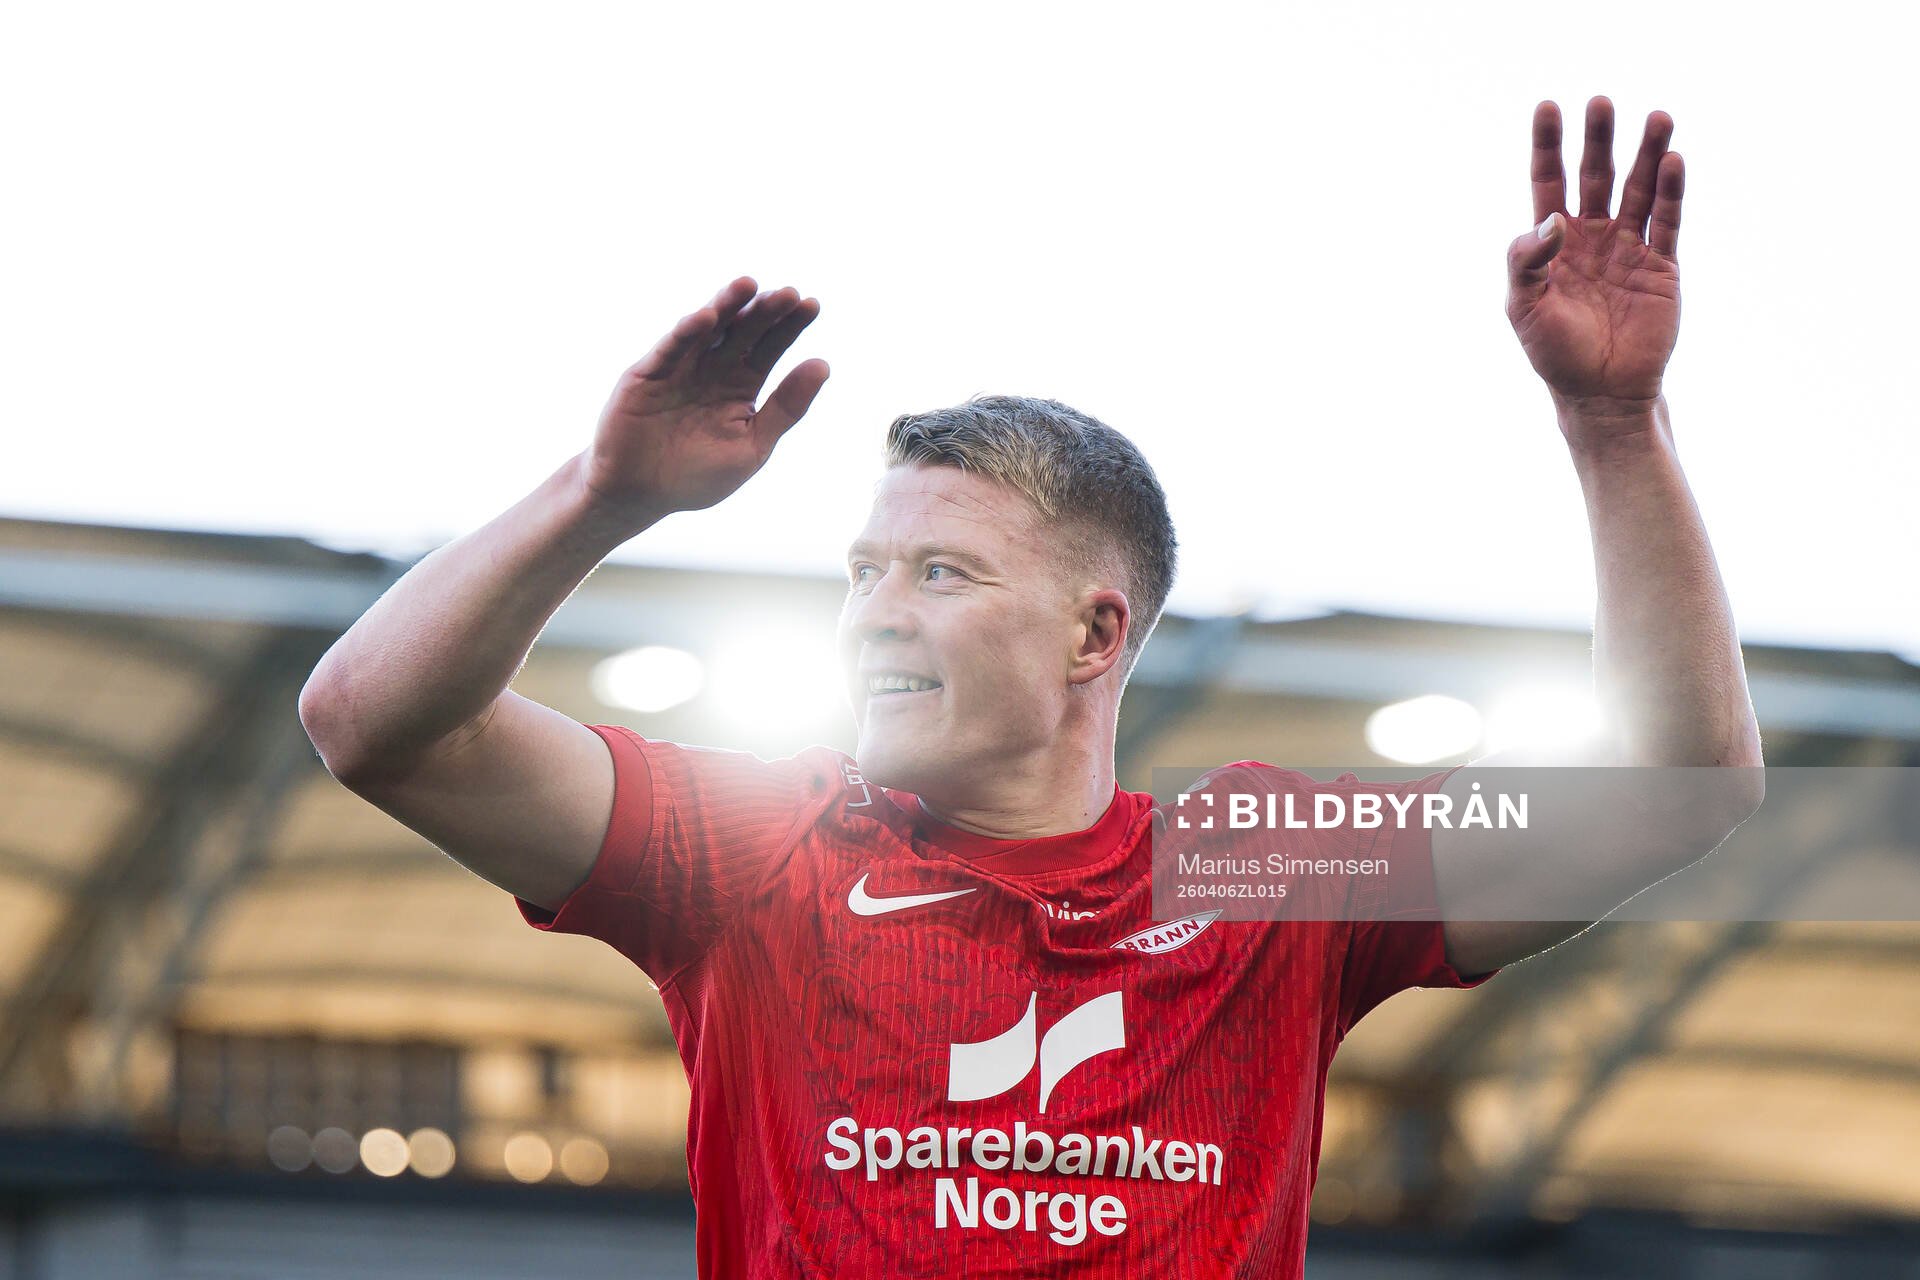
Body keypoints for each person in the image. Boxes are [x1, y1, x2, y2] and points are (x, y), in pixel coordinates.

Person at [298, 96, 1764, 1277]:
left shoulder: (1264, 872)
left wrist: (1616, 423)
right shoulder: (758, 857)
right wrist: (599, 498)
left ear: (1093, 636)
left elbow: (1676, 797)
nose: (875, 616)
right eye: (861, 574)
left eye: (940, 576)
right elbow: (371, 725)